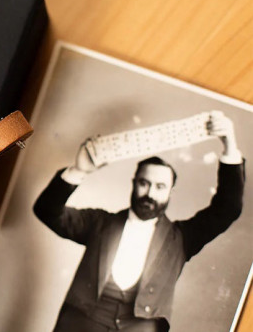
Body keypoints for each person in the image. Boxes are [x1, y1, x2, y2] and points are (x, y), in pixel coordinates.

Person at [33, 112, 245, 332]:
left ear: (171, 192)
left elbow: (228, 209)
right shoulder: (100, 223)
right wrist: (79, 170)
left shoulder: (182, 238)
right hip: (82, 323)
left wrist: (229, 145)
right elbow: (47, 211)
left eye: (160, 187)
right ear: (134, 184)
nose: (150, 193)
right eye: (144, 183)